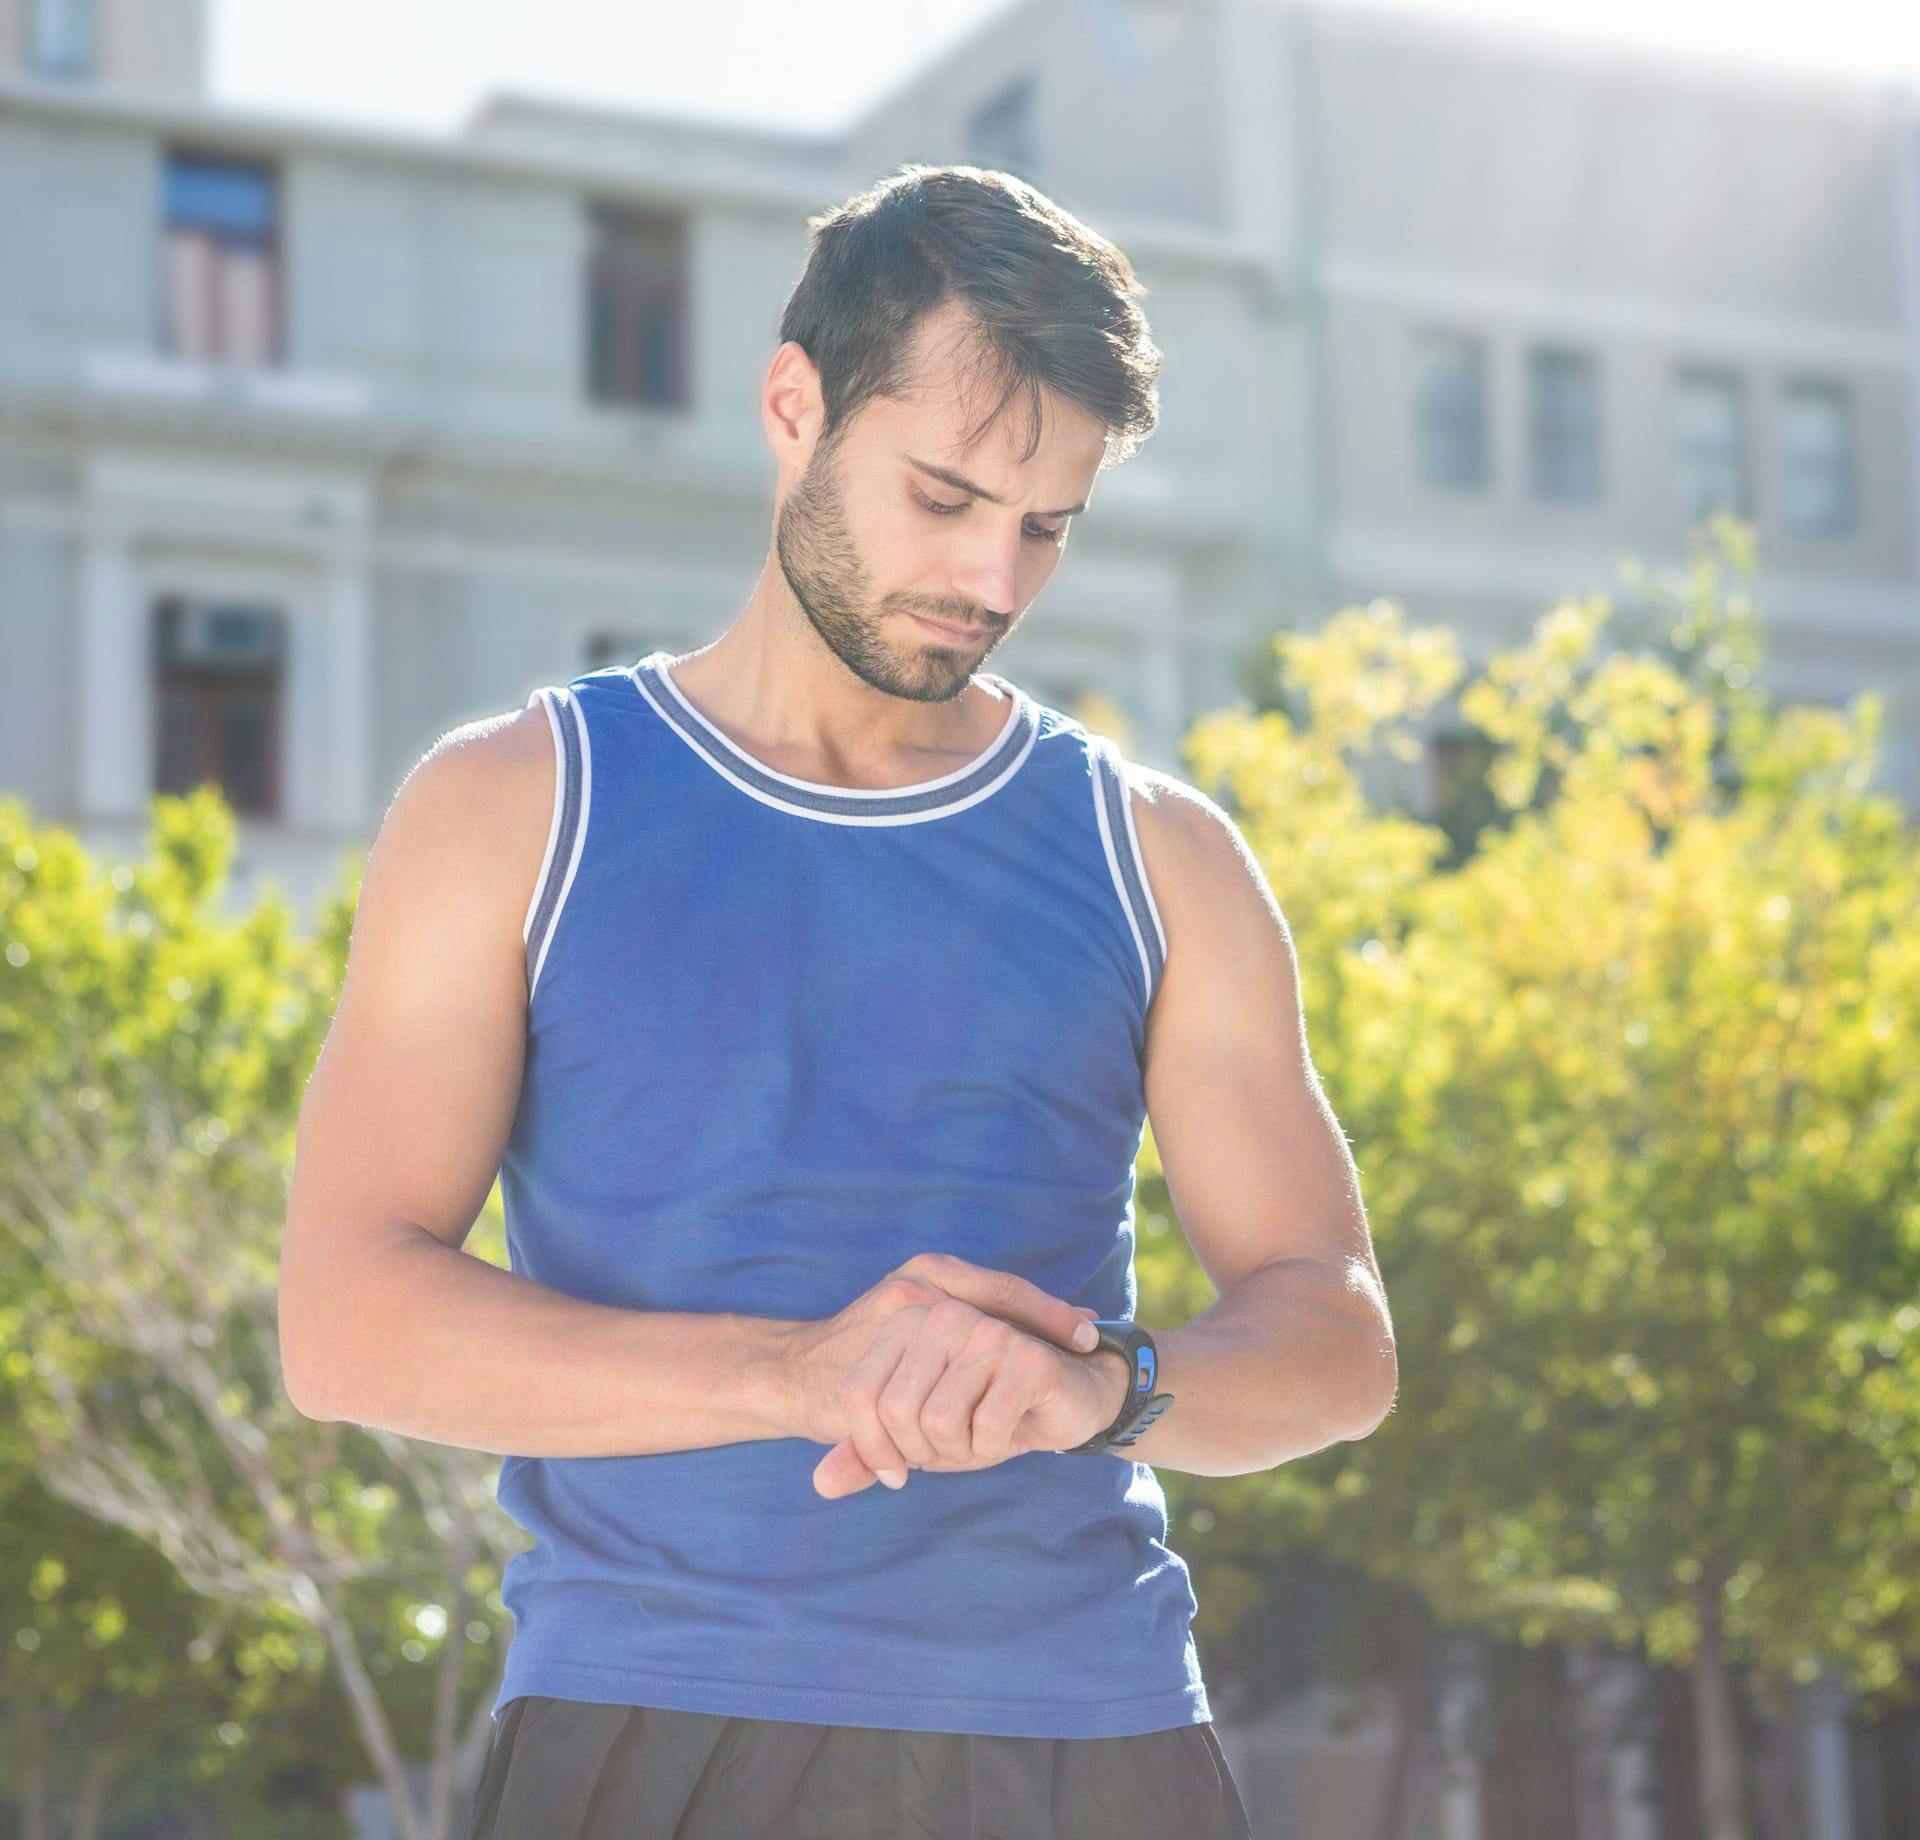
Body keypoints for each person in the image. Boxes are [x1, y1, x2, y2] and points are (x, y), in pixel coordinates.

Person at [277, 162, 1395, 1840]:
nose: (992, 577)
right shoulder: (514, 805)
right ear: (793, 406)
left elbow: (1335, 1335)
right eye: (943, 494)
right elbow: (344, 1324)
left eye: (1044, 526)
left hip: (1085, 1740)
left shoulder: (1161, 856)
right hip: (649, 1731)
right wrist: (800, 1374)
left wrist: (1114, 1387)